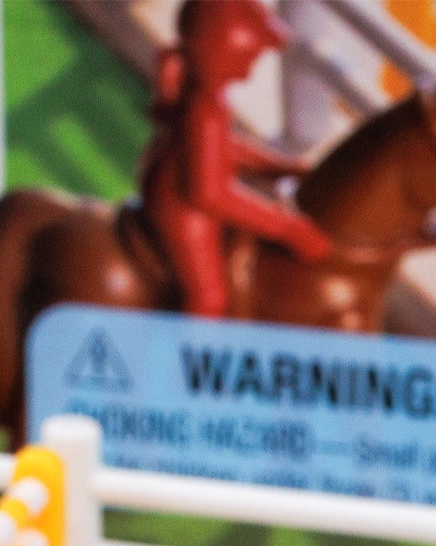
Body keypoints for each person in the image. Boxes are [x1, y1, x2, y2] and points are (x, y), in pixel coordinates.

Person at [140, 0, 332, 318]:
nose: (255, 61)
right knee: (210, 299)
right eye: (252, 54)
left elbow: (222, 148)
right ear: (225, 54)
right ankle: (173, 364)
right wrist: (287, 229)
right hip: (180, 206)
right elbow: (209, 193)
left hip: (174, 181)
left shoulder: (208, 98)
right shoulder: (206, 110)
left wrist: (276, 166)